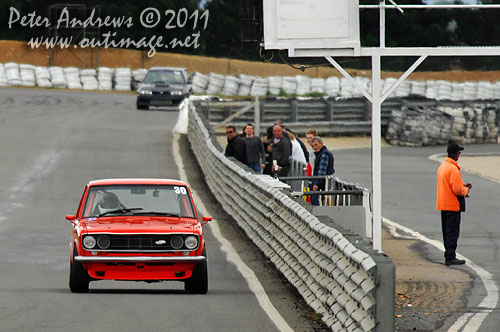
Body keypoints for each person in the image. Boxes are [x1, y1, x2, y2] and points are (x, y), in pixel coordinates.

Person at [436, 142, 472, 266]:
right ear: (455, 154)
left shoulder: (443, 166)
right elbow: (457, 190)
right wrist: (465, 189)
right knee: (453, 231)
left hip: (443, 204)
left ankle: (448, 254)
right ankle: (450, 256)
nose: (459, 156)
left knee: (446, 231)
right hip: (452, 205)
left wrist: (462, 186)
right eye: (459, 153)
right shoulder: (453, 168)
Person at [310, 136, 335, 206]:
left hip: (322, 185)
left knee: (317, 205)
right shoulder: (323, 153)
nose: (314, 147)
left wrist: (316, 184)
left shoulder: (324, 154)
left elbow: (321, 172)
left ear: (321, 144)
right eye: (313, 146)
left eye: (316, 145)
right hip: (324, 184)